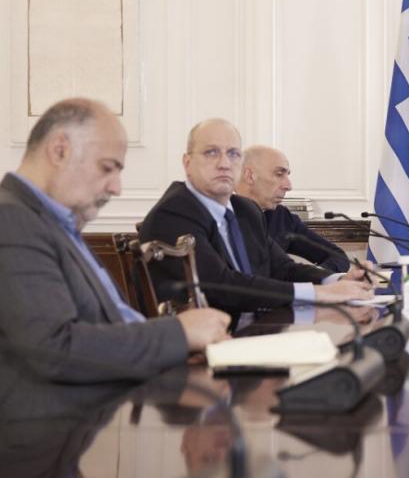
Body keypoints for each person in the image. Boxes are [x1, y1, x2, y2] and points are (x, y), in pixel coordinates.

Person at [0, 98, 230, 382]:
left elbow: (111, 325)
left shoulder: (56, 222)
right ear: (60, 151)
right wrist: (179, 334)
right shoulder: (11, 219)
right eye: (108, 168)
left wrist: (177, 348)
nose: (116, 188)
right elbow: (53, 349)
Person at [139, 119, 372, 312]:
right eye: (211, 152)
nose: (224, 163)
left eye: (233, 154)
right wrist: (320, 293)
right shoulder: (173, 212)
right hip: (209, 344)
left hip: (257, 330)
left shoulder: (246, 210)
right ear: (187, 163)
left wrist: (336, 280)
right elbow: (222, 286)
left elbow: (283, 269)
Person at [235, 145, 349, 272]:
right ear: (250, 176)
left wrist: (317, 277)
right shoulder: (220, 216)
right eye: (279, 174)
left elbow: (337, 257)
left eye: (287, 175)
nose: (288, 186)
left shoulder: (282, 217)